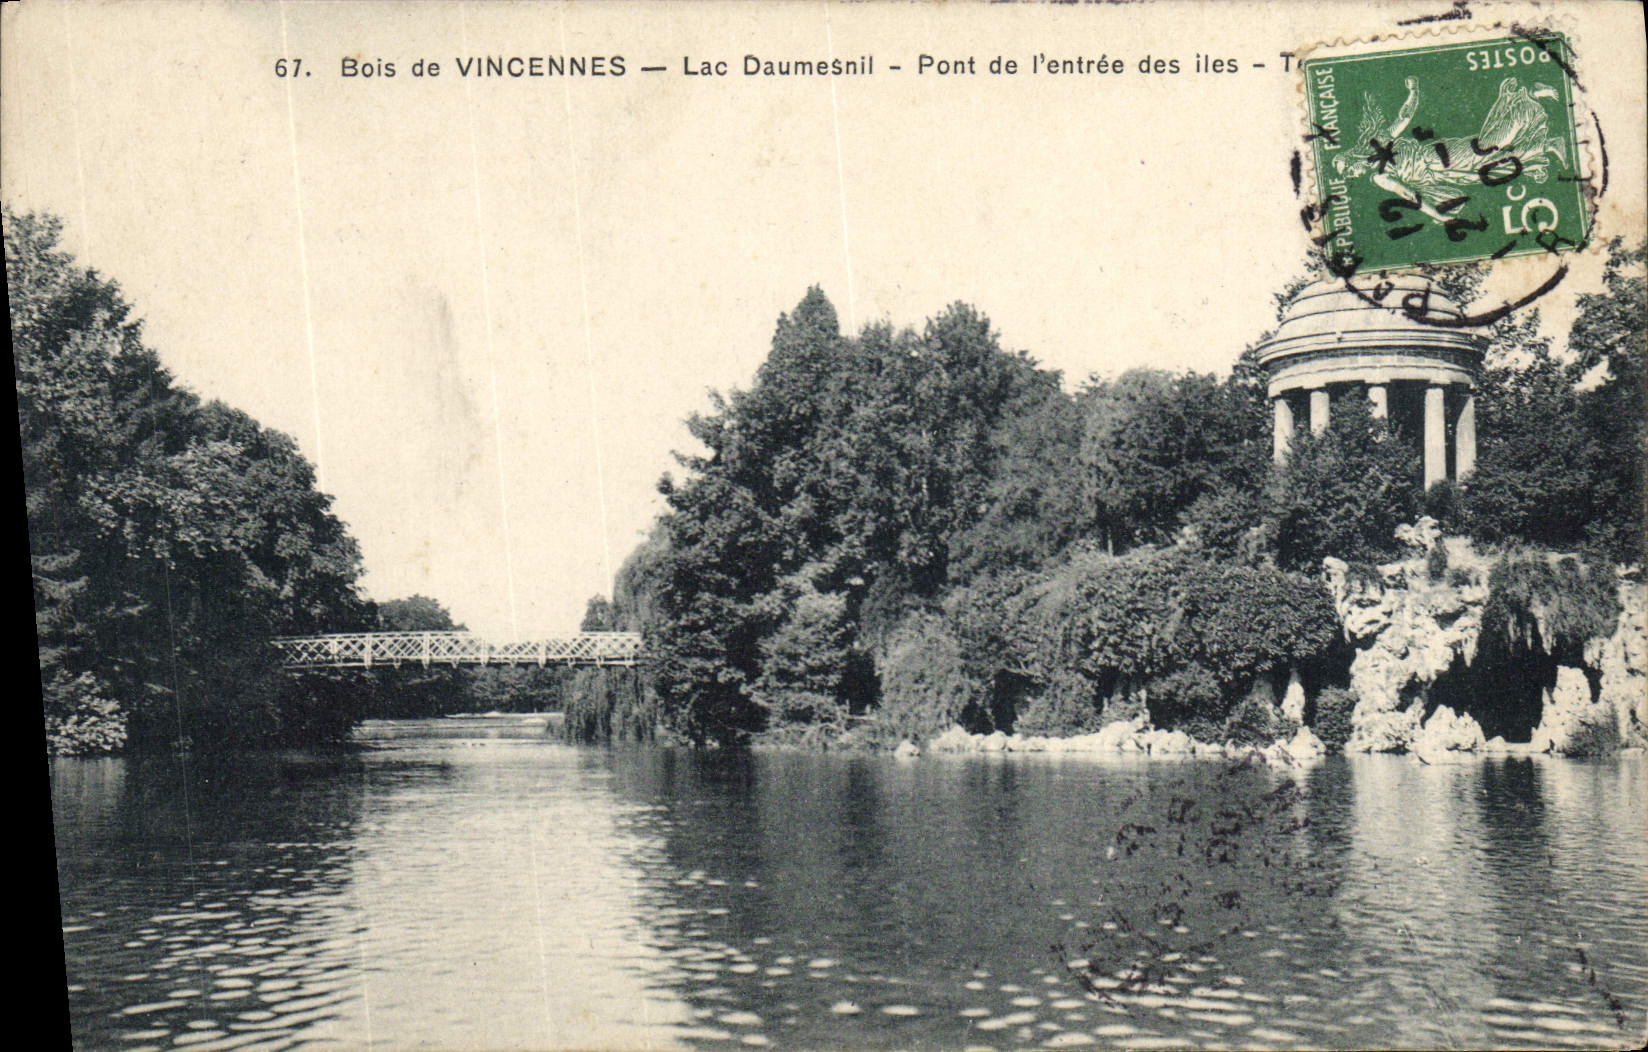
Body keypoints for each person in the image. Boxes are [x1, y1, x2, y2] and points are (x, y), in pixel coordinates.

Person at [1333, 76, 1569, 226]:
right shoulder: (1378, 174)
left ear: (1352, 159)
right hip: (1444, 172)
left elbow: (1403, 118)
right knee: (1496, 164)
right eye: (1348, 175)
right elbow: (1411, 195)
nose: (1351, 175)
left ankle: (1528, 95)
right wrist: (1438, 214)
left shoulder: (1379, 158)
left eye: (1348, 170)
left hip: (1439, 157)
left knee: (1488, 147)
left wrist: (1413, 92)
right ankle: (1548, 144)